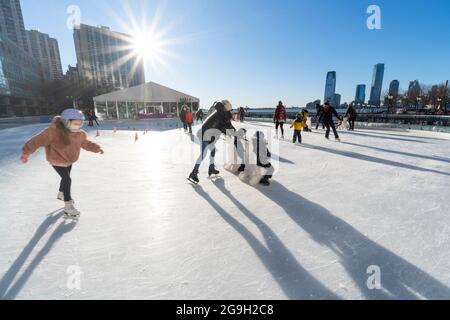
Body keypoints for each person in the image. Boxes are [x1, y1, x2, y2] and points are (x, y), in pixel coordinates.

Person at [20, 108, 104, 219]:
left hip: (70, 160)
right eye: (75, 124)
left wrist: (96, 148)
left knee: (65, 178)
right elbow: (36, 141)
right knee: (67, 179)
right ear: (66, 122)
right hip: (57, 159)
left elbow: (85, 143)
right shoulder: (53, 132)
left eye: (80, 124)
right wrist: (26, 153)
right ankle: (68, 206)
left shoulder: (80, 134)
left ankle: (61, 193)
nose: (77, 127)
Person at [188, 100, 236, 184]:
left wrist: (233, 133)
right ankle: (194, 173)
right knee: (203, 154)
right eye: (230, 110)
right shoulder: (222, 115)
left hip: (208, 135)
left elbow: (225, 126)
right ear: (227, 108)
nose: (230, 112)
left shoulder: (221, 113)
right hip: (205, 136)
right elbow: (226, 126)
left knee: (212, 151)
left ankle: (211, 168)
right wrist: (235, 134)